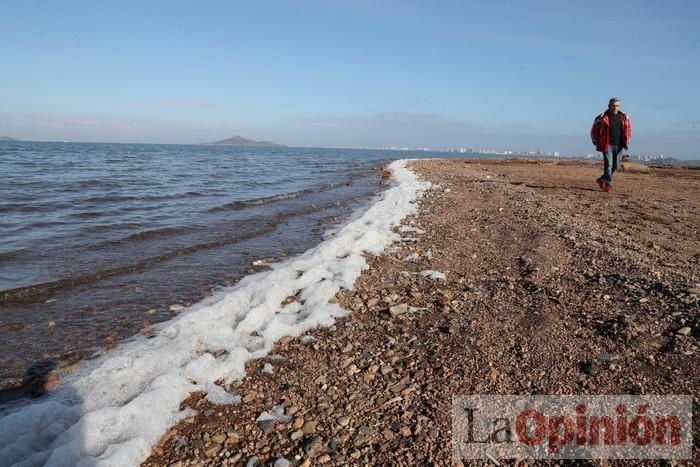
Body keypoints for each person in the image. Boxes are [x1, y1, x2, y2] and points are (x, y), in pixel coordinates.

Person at [590, 98, 632, 192]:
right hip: (607, 144)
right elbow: (594, 130)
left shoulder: (624, 117)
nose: (615, 108)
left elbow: (628, 129)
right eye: (613, 105)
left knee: (615, 166)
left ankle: (602, 180)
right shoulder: (601, 117)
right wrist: (596, 141)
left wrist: (628, 140)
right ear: (609, 106)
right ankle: (608, 184)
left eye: (617, 106)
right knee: (608, 164)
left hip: (620, 145)